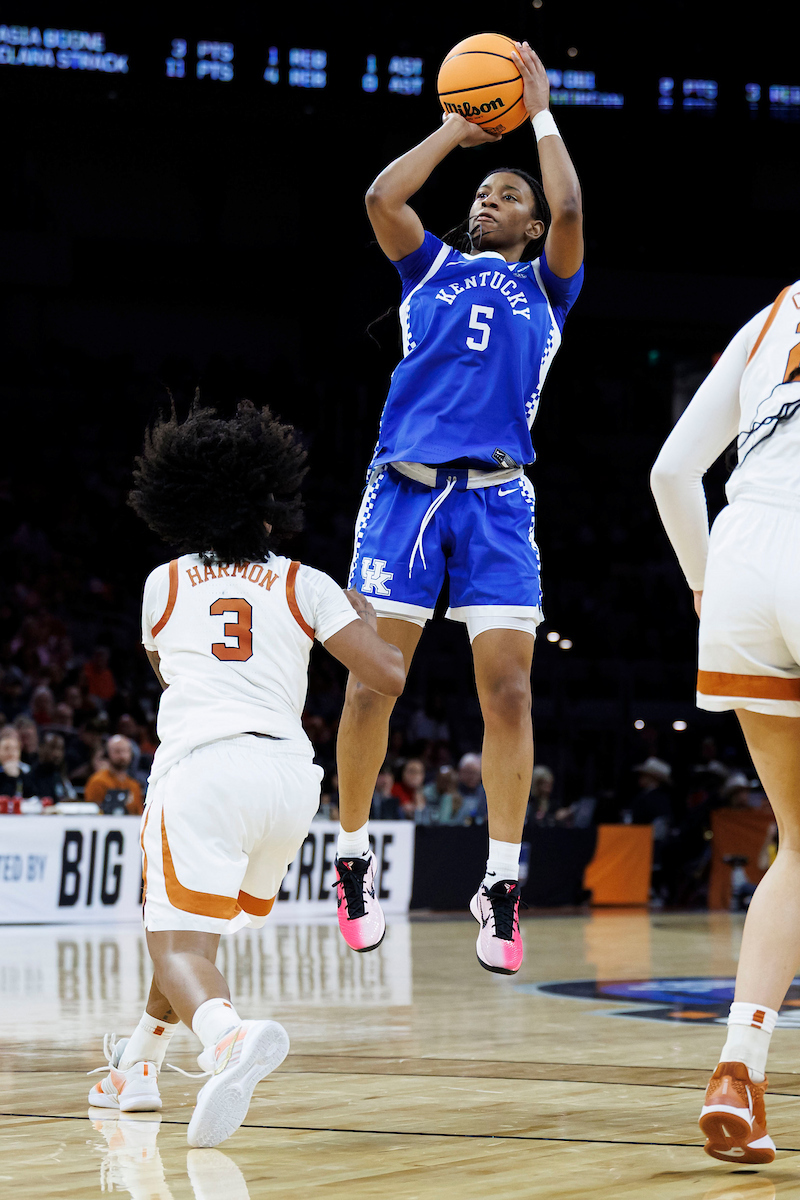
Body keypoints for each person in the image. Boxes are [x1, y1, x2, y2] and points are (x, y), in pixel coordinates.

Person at [88, 400, 404, 1148]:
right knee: (193, 934)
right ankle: (138, 1067)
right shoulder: (307, 583)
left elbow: (168, 672)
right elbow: (387, 675)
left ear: (183, 505)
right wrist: (362, 615)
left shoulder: (164, 583)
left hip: (204, 770)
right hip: (289, 783)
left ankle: (228, 1039)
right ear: (271, 505)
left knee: (177, 945)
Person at [335, 41, 583, 976]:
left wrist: (539, 111)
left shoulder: (548, 287)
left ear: (530, 226)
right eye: (484, 193)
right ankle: (351, 858)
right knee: (373, 683)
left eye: (506, 196)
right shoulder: (428, 268)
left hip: (497, 501)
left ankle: (502, 881)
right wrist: (456, 128)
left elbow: (571, 208)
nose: (489, 200)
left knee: (510, 693)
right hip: (404, 492)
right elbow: (381, 197)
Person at [651, 279, 800, 1164]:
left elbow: (672, 472)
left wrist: (705, 583)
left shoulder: (775, 311)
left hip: (742, 559)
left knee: (799, 844)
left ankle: (738, 1072)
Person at [84, 734, 144, 814]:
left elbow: (139, 814)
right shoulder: (98, 782)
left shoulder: (134, 786)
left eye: (125, 751)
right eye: (117, 751)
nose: (122, 756)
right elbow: (92, 812)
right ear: (107, 754)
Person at [26, 731, 76, 802]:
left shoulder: (60, 776)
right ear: (41, 748)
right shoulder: (30, 777)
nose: (57, 754)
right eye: (53, 748)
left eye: (60, 749)